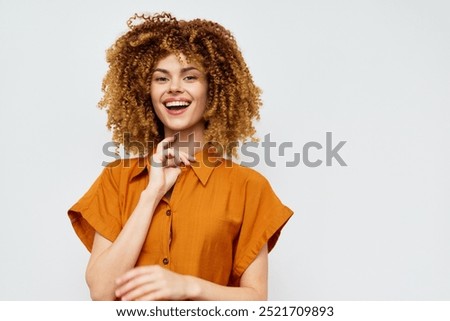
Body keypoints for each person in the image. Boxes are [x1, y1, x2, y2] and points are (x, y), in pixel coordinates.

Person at [68, 12, 293, 301]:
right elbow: (101, 292)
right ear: (145, 91)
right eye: (161, 78)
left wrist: (188, 286)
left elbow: (255, 300)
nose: (174, 87)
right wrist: (151, 194)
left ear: (212, 91)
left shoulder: (248, 187)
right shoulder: (116, 179)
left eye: (190, 76)